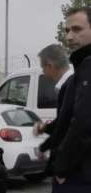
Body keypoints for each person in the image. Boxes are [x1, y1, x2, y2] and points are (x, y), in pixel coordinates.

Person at [52, 7, 91, 192]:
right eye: (67, 30)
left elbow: (83, 123)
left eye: (77, 29)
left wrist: (61, 167)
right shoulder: (79, 71)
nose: (69, 37)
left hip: (80, 177)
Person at [33, 44, 73, 175]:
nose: (43, 73)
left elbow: (65, 127)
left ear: (50, 66)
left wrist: (43, 147)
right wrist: (45, 128)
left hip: (69, 166)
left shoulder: (69, 87)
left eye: (43, 68)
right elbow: (65, 119)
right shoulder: (75, 81)